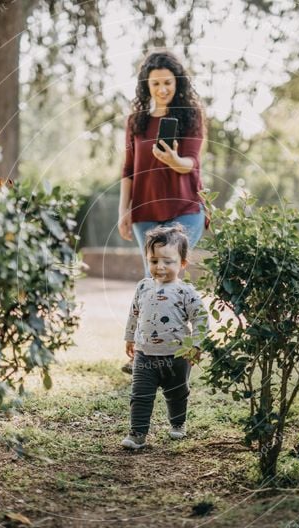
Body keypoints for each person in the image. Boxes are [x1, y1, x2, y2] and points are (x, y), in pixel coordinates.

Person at [118, 50, 207, 373]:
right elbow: (128, 169)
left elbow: (192, 163)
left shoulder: (191, 115)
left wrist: (173, 160)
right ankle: (148, 353)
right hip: (144, 212)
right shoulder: (136, 122)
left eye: (167, 82)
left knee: (168, 276)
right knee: (152, 281)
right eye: (155, 83)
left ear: (176, 83)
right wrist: (123, 210)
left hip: (185, 208)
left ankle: (173, 353)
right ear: (147, 84)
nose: (162, 89)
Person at [121, 225, 207, 450]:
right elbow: (134, 313)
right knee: (140, 395)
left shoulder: (186, 292)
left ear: (182, 263)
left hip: (177, 356)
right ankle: (137, 434)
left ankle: (178, 423)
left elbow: (201, 318)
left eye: (167, 262)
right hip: (145, 355)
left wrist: (196, 344)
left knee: (177, 393)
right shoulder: (143, 286)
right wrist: (130, 337)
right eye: (154, 260)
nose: (160, 267)